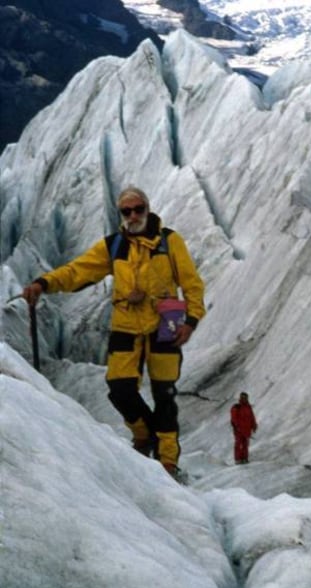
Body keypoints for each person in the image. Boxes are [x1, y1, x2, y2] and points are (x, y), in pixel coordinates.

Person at [23, 186, 206, 477]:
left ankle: (168, 461)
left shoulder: (169, 242)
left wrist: (192, 319)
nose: (133, 216)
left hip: (164, 326)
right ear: (120, 214)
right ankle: (145, 435)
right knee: (120, 389)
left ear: (147, 208)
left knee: (164, 395)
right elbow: (77, 271)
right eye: (127, 211)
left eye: (138, 209)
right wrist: (44, 283)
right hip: (126, 326)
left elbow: (191, 282)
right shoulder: (114, 246)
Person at [230, 392, 257, 464]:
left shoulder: (248, 407)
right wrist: (237, 427)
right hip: (238, 430)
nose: (244, 399)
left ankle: (244, 458)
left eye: (245, 397)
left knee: (245, 444)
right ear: (240, 398)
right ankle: (238, 459)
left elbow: (252, 417)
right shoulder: (236, 407)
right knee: (238, 444)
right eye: (243, 397)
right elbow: (234, 418)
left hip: (247, 429)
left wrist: (254, 426)